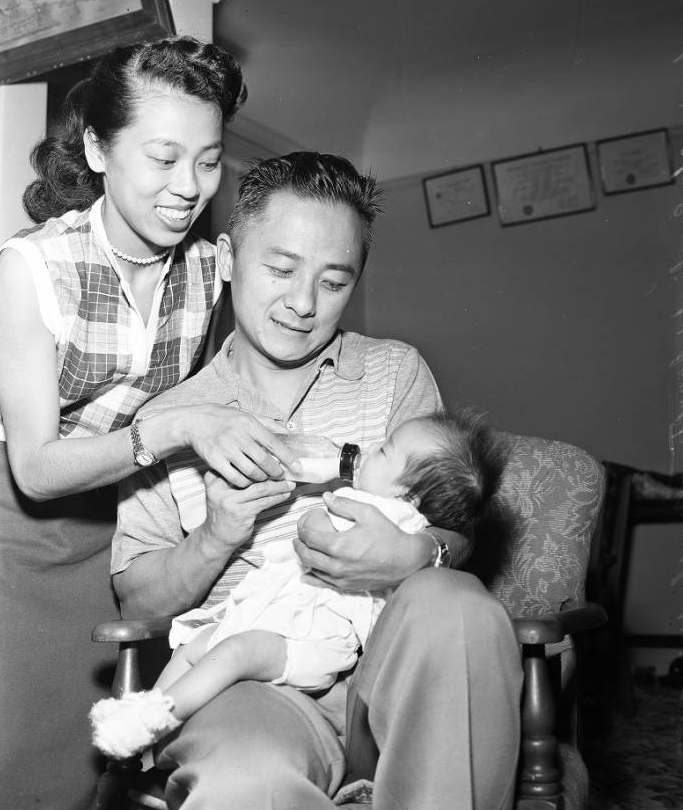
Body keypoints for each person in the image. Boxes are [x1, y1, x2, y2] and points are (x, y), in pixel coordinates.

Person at [111, 151, 523, 810]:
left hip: (396, 669)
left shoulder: (393, 374)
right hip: (258, 687)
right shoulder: (169, 419)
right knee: (246, 780)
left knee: (460, 608)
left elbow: (456, 526)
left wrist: (418, 552)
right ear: (225, 259)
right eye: (280, 268)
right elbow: (136, 603)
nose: (303, 303)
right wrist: (218, 533)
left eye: (334, 282)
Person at [0, 37, 300, 810]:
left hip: (129, 534)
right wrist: (175, 430)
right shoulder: (31, 269)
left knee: (108, 758)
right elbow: (33, 465)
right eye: (163, 157)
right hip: (15, 536)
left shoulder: (205, 268)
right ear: (98, 149)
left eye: (207, 161)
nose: (189, 187)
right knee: (17, 759)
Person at [91, 409, 509, 759]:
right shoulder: (383, 498)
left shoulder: (391, 518)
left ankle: (152, 723)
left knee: (235, 651)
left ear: (409, 497)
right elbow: (139, 602)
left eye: (384, 450)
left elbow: (313, 527)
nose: (369, 452)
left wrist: (420, 551)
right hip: (277, 616)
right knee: (197, 648)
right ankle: (146, 725)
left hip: (316, 638)